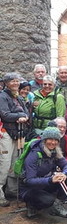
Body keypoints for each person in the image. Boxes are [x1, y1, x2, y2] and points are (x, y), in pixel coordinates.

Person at [19, 127, 67, 218]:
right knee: (47, 200)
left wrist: (64, 174)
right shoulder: (34, 154)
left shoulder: (55, 151)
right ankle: (32, 205)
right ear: (44, 140)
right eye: (50, 139)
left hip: (45, 183)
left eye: (56, 140)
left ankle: (57, 202)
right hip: (29, 188)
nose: (53, 142)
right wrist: (50, 180)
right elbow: (30, 180)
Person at [0, 73, 29, 206]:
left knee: (15, 162)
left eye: (17, 81)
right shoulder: (2, 96)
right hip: (6, 133)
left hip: (18, 133)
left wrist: (23, 115)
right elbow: (4, 114)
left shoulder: (18, 97)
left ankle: (12, 190)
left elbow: (26, 113)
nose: (16, 83)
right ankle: (0, 193)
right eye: (13, 81)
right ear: (6, 83)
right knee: (4, 163)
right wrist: (20, 115)